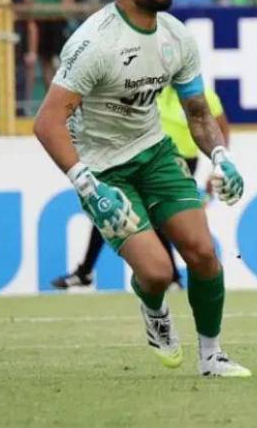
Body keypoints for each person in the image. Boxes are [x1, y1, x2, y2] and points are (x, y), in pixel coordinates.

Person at [32, 0, 251, 377]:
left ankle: (211, 357)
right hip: (104, 169)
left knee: (203, 253)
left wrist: (221, 156)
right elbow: (46, 122)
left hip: (154, 153)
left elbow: (197, 111)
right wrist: (87, 186)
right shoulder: (94, 44)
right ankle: (154, 313)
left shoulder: (176, 37)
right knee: (154, 273)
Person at [51, 82, 230, 290]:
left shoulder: (201, 94)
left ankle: (89, 271)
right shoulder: (152, 89)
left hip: (180, 163)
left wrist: (220, 164)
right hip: (147, 158)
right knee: (110, 206)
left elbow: (220, 128)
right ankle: (89, 271)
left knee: (153, 215)